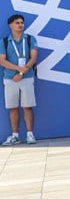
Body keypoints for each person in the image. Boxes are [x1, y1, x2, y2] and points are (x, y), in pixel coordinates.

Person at [2, 14, 38, 145]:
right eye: (17, 23)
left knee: (27, 106)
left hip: (27, 78)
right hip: (10, 79)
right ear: (10, 25)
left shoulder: (30, 39)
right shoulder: (4, 41)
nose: (20, 25)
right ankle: (15, 135)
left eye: (22, 22)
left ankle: (30, 134)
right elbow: (2, 61)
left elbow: (33, 58)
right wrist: (18, 68)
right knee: (13, 107)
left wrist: (21, 73)